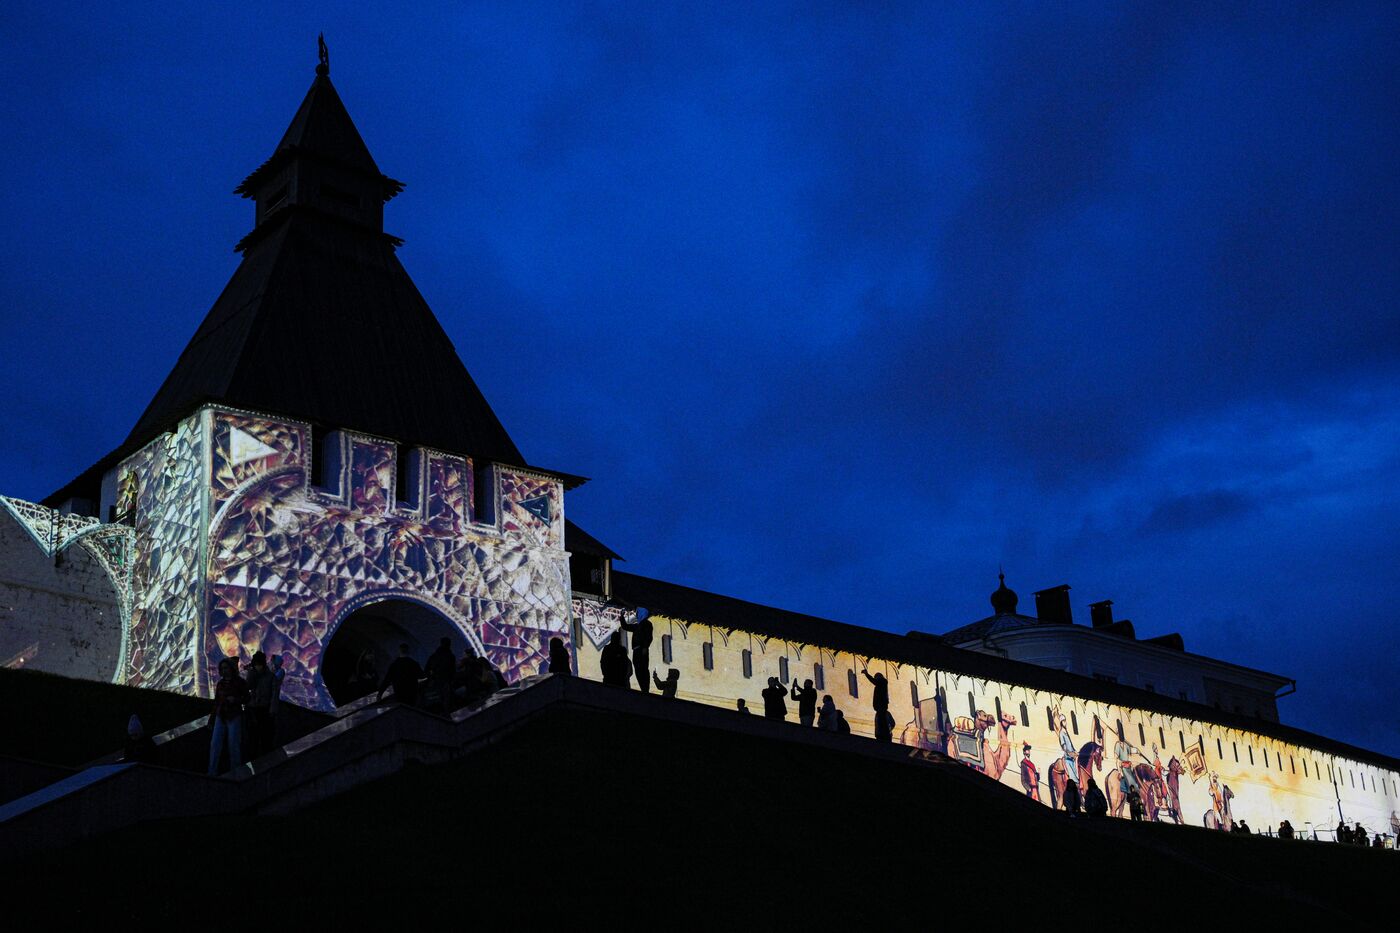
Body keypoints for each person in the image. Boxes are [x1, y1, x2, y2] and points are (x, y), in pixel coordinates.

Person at [207, 658, 249, 775]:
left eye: (226, 668)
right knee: (215, 745)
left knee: (233, 745)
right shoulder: (220, 684)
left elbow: (247, 698)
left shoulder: (240, 682)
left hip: (234, 716)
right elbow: (216, 702)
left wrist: (236, 700)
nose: (224, 670)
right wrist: (212, 719)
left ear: (231, 668)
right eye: (222, 668)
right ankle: (212, 772)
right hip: (221, 716)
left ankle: (235, 772)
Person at [244, 651, 274, 759]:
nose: (258, 667)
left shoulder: (270, 676)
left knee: (265, 736)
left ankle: (266, 757)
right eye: (256, 664)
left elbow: (273, 693)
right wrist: (250, 673)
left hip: (264, 709)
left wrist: (272, 709)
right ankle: (253, 757)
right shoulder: (253, 674)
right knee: (253, 737)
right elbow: (248, 686)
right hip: (253, 709)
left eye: (260, 664)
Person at [618, 607, 653, 694]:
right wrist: (622, 617)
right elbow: (625, 626)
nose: (637, 615)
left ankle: (645, 689)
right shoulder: (638, 626)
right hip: (636, 650)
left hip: (641, 650)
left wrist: (645, 647)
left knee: (643, 669)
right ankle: (643, 688)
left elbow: (649, 637)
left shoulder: (647, 624)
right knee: (638, 669)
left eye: (638, 613)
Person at [425, 637, 456, 713]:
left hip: (436, 682)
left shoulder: (434, 656)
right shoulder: (451, 657)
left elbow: (426, 669)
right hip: (446, 682)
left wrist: (431, 677)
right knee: (446, 703)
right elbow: (452, 671)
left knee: (436, 701)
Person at [268, 654, 286, 745]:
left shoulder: (281, 671)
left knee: (273, 717)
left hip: (274, 697)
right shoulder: (273, 670)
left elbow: (273, 680)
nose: (270, 662)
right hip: (269, 697)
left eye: (272, 661)